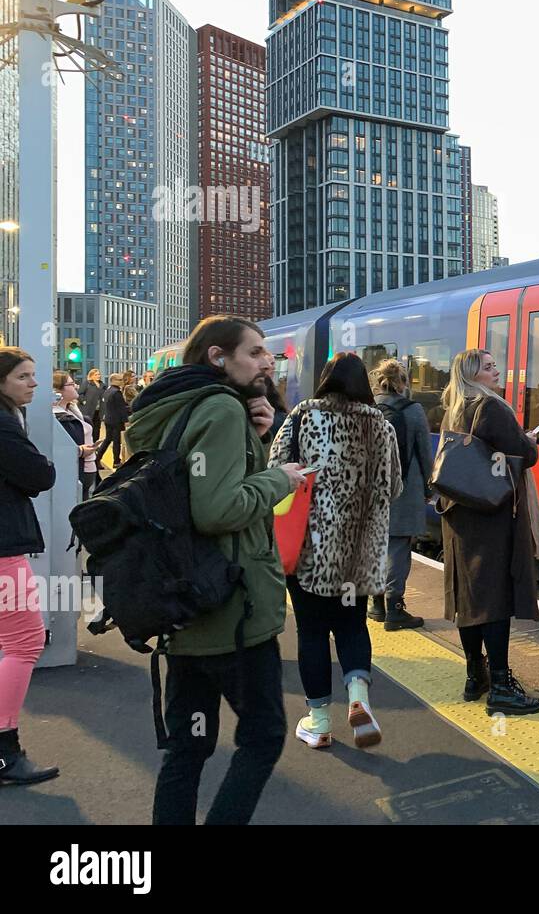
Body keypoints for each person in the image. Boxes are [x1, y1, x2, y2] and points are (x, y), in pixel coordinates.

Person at [125, 316, 307, 825]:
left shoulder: (173, 407)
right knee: (263, 737)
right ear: (218, 357)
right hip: (234, 612)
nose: (267, 361)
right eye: (255, 352)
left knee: (190, 746)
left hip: (184, 609)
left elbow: (199, 486)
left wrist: (258, 445)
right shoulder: (221, 410)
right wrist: (280, 476)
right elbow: (217, 510)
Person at [269, 353, 402, 751]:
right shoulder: (381, 425)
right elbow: (394, 486)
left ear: (325, 380)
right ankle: (359, 698)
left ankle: (319, 721)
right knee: (352, 626)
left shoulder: (302, 418)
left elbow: (277, 473)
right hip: (359, 553)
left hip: (310, 549)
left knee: (311, 632)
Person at [439, 348, 539, 716]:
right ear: (472, 375)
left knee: (469, 598)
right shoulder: (491, 408)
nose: (496, 370)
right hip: (490, 516)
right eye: (488, 367)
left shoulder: (453, 409)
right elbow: (522, 454)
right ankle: (501, 684)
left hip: (458, 515)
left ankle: (475, 676)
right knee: (493, 598)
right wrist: (529, 441)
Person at [0, 348, 59, 786]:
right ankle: (4, 750)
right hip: (3, 550)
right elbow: (40, 475)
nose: (34, 384)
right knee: (25, 641)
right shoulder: (2, 423)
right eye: (24, 376)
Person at [370, 358, 434, 631]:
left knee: (375, 545)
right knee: (398, 547)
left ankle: (375, 605)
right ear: (404, 383)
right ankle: (395, 609)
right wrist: (430, 487)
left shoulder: (368, 408)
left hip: (372, 490)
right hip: (406, 489)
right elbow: (424, 452)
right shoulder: (414, 410)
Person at [53, 371, 100, 501]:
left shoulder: (73, 410)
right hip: (77, 472)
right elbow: (57, 447)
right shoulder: (56, 417)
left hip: (87, 469)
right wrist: (80, 451)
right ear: (58, 390)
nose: (76, 386)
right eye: (71, 384)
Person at [99, 372, 128, 467]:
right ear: (114, 381)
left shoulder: (108, 391)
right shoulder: (117, 392)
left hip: (108, 418)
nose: (122, 382)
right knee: (116, 441)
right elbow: (121, 408)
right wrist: (125, 420)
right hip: (116, 420)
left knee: (107, 439)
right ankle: (116, 461)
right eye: (120, 380)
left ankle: (97, 458)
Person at [79, 367, 106, 442]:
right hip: (88, 409)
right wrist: (83, 401)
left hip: (99, 410)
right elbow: (80, 393)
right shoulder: (87, 384)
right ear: (91, 376)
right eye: (96, 375)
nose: (98, 376)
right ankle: (87, 442)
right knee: (88, 426)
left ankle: (95, 443)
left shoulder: (103, 385)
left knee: (97, 428)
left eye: (99, 374)